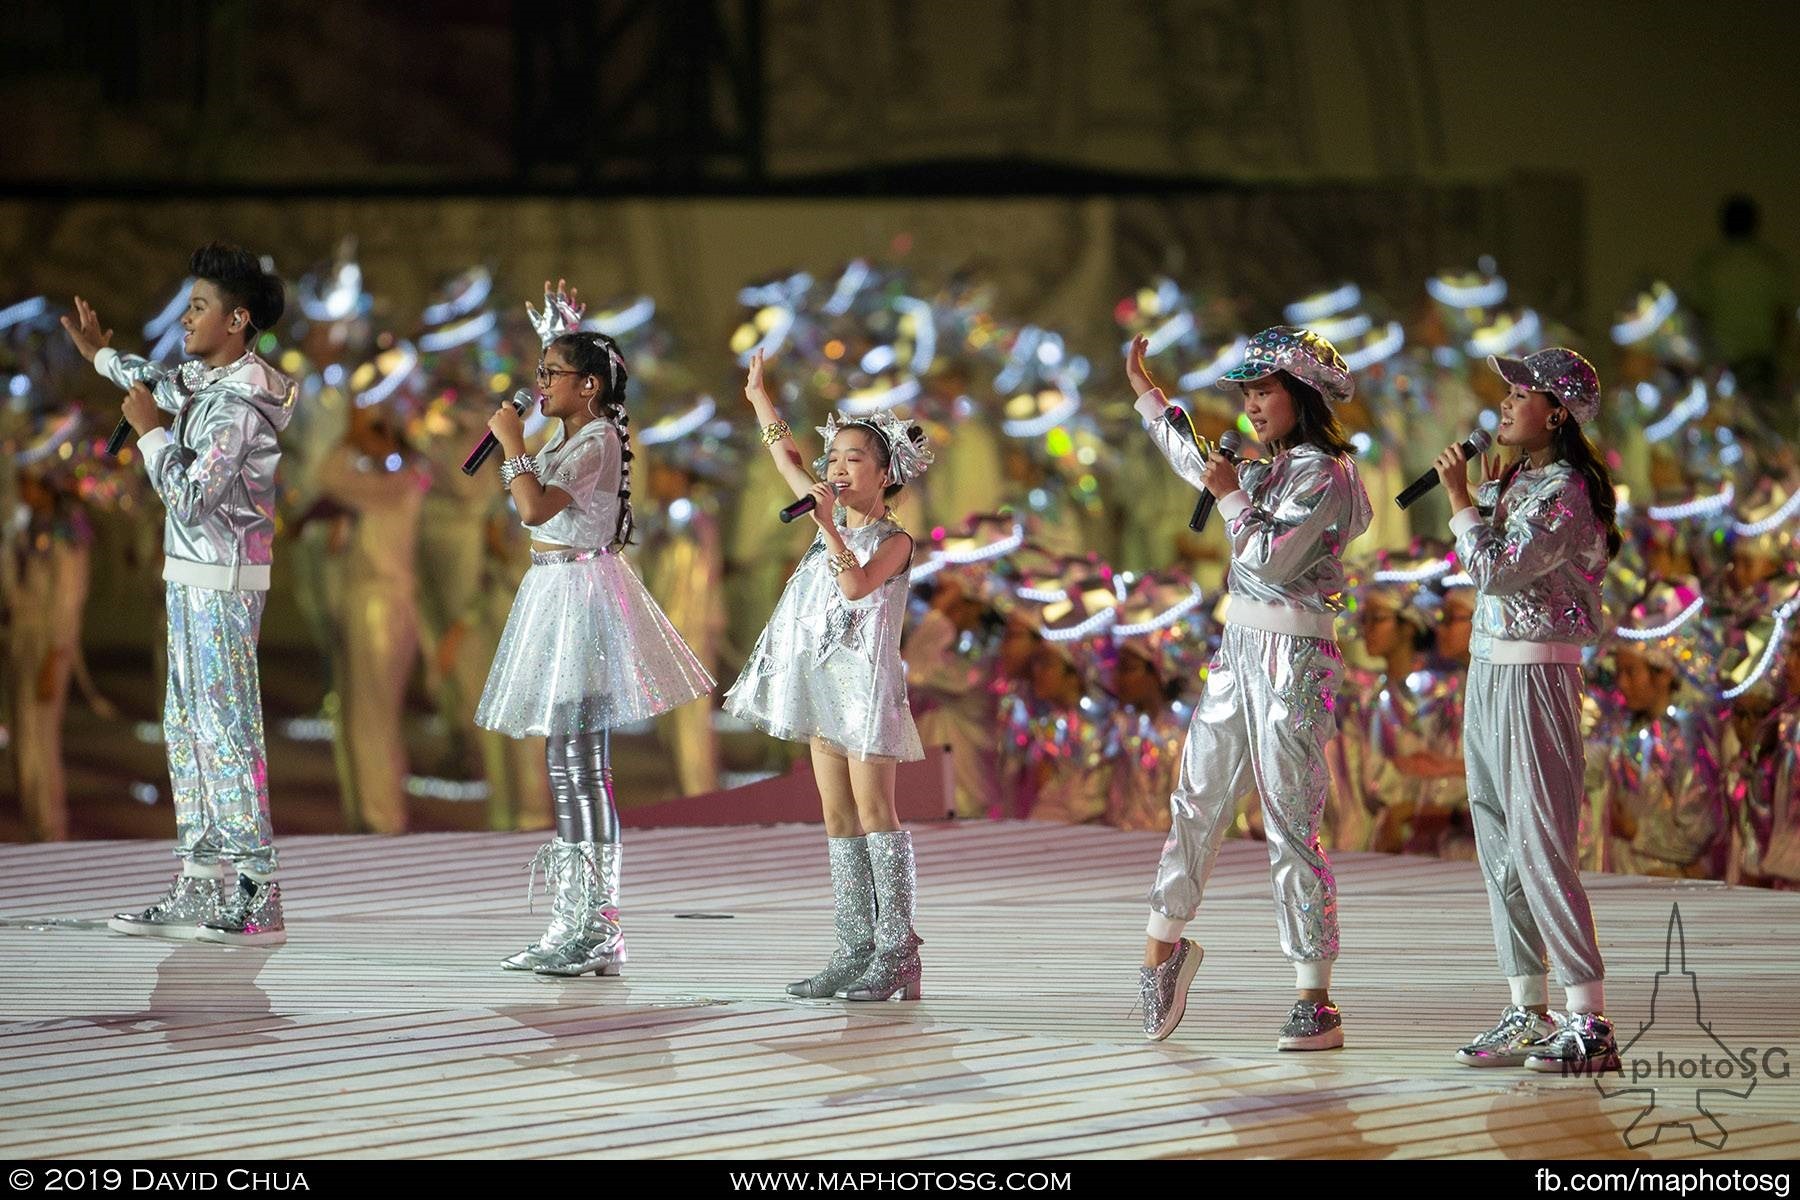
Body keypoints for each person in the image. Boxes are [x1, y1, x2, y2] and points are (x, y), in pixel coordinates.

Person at [1126, 326, 1371, 1051]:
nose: (1251, 405)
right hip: (1239, 649)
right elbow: (1198, 462)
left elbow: (1270, 559)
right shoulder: (1263, 470)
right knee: (1196, 794)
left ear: (1301, 395)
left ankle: (1314, 994)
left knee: (1290, 817)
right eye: (1246, 392)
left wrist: (1232, 498)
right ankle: (1163, 949)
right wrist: (1148, 395)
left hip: (1293, 652)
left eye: (1264, 391)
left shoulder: (1327, 475)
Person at [475, 284, 714, 978]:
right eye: (538, 371)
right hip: (553, 591)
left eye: (551, 373)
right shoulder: (572, 432)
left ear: (588, 386)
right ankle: (570, 919)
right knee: (562, 764)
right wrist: (562, 335)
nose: (537, 383)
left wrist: (512, 443)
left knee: (585, 766)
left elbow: (536, 506)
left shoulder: (600, 438)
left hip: (581, 597)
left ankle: (600, 926)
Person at [62, 243, 296, 946]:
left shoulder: (241, 402)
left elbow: (192, 498)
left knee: (226, 730)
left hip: (223, 581)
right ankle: (200, 883)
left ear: (238, 319)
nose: (185, 318)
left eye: (198, 307)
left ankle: (256, 888)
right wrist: (102, 356)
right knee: (186, 728)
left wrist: (153, 436)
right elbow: (156, 379)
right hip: (190, 578)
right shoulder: (204, 379)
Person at [1433, 346, 1622, 1072]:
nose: (1505, 403)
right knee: (1499, 843)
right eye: (1506, 391)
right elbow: (1490, 569)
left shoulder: (1568, 490)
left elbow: (1496, 570)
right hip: (1489, 671)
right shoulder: (1524, 484)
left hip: (1537, 677)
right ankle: (1527, 1007)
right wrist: (1480, 500)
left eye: (1520, 393)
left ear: (1557, 413)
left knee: (1540, 840)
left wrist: (1457, 501)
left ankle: (1590, 1018)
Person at [725, 349, 934, 1002]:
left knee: (877, 811)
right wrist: (761, 399)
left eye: (854, 460)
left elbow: (855, 588)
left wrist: (826, 526)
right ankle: (853, 947)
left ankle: (898, 951)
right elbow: (785, 456)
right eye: (833, 458)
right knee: (837, 815)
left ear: (884, 475)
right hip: (823, 684)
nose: (837, 469)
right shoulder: (826, 519)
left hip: (867, 690)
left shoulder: (893, 540)